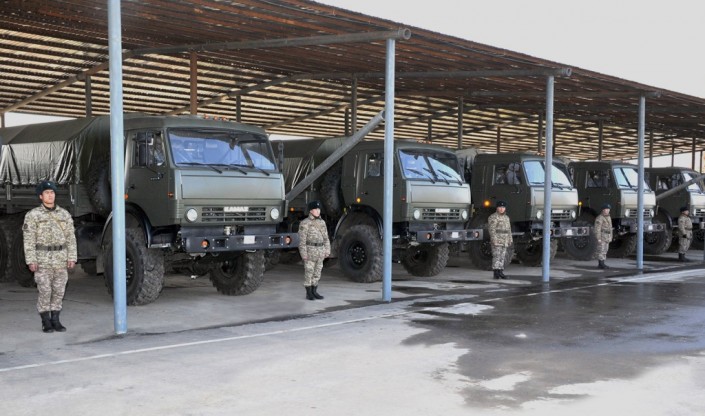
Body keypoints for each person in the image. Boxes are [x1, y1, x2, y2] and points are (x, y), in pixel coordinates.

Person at [23, 180, 78, 333]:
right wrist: (31, 260)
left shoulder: (64, 214)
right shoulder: (33, 215)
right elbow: (28, 240)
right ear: (41, 196)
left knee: (59, 291)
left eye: (52, 192)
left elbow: (70, 238)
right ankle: (45, 321)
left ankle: (56, 320)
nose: (50, 195)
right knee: (45, 291)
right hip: (42, 260)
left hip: (60, 259)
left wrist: (72, 257)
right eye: (47, 193)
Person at [298, 200, 330, 300]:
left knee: (317, 273)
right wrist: (303, 254)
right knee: (309, 272)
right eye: (316, 209)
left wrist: (327, 250)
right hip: (310, 251)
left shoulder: (322, 222)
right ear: (311, 211)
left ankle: (314, 291)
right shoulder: (305, 223)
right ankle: (309, 293)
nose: (318, 211)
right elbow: (301, 241)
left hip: (320, 251)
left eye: (319, 209)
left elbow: (326, 238)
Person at [488, 200, 512, 279]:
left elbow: (509, 230)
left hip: (505, 240)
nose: (502, 209)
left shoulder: (506, 218)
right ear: (497, 208)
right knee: (497, 256)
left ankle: (500, 271)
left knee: (502, 256)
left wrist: (510, 239)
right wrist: (494, 240)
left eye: (503, 207)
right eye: (500, 207)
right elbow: (492, 230)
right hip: (497, 240)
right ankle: (496, 272)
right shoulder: (493, 217)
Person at [594, 203, 613, 269]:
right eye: (606, 209)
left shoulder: (608, 217)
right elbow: (597, 229)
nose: (607, 210)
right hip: (602, 236)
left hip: (607, 236)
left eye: (608, 209)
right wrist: (598, 238)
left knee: (605, 250)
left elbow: (610, 228)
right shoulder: (600, 218)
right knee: (601, 250)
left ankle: (603, 263)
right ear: (603, 210)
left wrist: (611, 236)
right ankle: (601, 264)